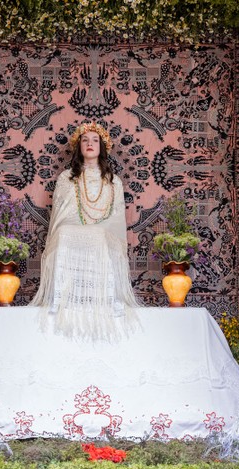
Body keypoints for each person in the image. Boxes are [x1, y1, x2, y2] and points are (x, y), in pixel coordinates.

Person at [29, 122, 141, 340]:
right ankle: (61, 298)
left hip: (102, 233)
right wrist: (80, 227)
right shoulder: (66, 178)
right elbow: (61, 215)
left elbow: (115, 219)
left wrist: (94, 228)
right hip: (72, 231)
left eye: (95, 140)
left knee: (98, 235)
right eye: (85, 140)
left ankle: (104, 300)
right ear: (79, 146)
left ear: (102, 147)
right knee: (64, 234)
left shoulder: (114, 182)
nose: (90, 144)